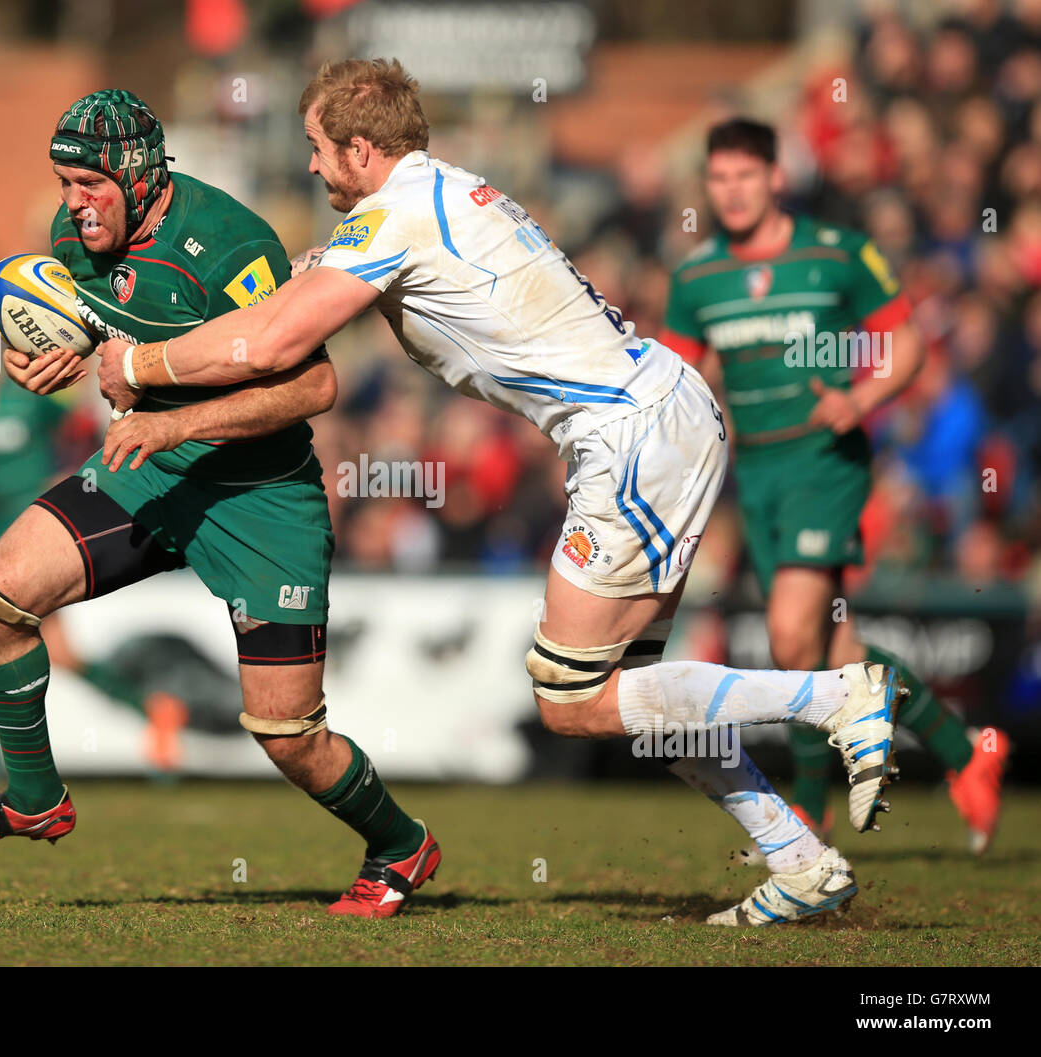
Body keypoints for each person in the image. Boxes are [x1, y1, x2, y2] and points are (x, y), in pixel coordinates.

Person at [97, 59, 907, 927]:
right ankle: (800, 859)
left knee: (567, 698)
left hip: (630, 433)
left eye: (317, 149)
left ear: (361, 150)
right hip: (656, 417)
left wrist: (138, 364)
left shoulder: (398, 217)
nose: (309, 168)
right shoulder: (432, 196)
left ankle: (836, 696)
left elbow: (272, 341)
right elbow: (305, 287)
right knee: (632, 687)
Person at [0, 90, 439, 919]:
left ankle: (400, 842)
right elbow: (107, 331)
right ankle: (33, 796)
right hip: (148, 469)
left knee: (288, 737)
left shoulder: (231, 244)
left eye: (88, 183)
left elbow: (313, 383)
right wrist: (48, 358)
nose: (73, 203)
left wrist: (173, 426)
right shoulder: (70, 242)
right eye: (62, 183)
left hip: (261, 498)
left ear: (137, 170)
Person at [659, 118, 1009, 855]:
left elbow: (907, 341)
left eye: (745, 176)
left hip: (826, 461)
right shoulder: (697, 278)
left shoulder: (839, 256)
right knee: (828, 647)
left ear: (776, 177)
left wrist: (860, 399)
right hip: (755, 474)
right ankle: (965, 753)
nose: (731, 192)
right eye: (718, 179)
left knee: (791, 636)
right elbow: (679, 382)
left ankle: (808, 819)